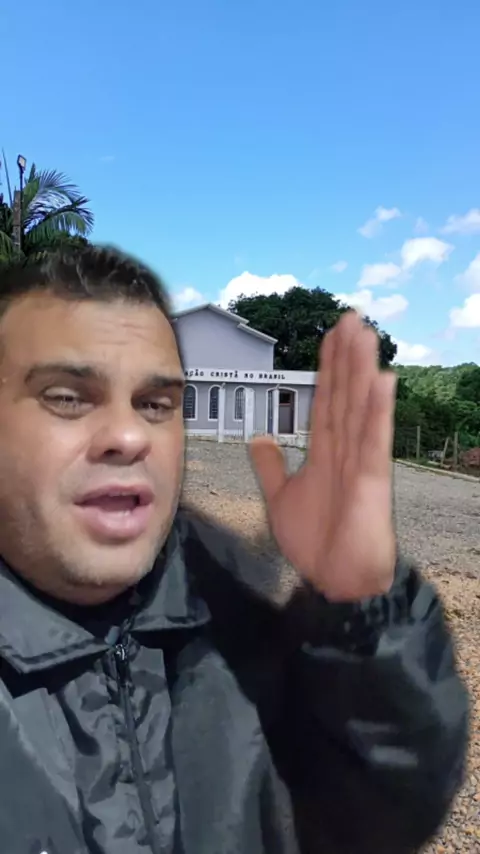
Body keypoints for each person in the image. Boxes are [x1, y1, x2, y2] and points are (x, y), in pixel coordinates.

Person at [0, 246, 468, 854]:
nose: (129, 435)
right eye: (66, 396)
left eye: (156, 404)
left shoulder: (240, 631)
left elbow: (379, 817)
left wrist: (361, 611)